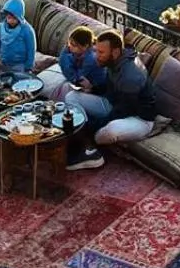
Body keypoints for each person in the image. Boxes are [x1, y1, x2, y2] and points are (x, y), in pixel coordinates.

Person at [67, 29, 157, 171]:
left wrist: (92, 126)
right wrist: (92, 88)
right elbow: (110, 88)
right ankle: (83, 140)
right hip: (115, 104)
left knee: (110, 130)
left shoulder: (130, 76)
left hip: (139, 118)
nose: (96, 56)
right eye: (96, 51)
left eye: (101, 53)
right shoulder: (115, 61)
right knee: (71, 97)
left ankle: (93, 152)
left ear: (114, 52)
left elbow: (122, 111)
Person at [60, 26, 111, 129]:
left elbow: (74, 77)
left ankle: (82, 127)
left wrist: (64, 55)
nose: (69, 47)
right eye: (69, 44)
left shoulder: (91, 59)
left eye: (73, 45)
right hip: (98, 92)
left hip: (106, 100)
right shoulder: (85, 53)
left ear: (85, 46)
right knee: (66, 91)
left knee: (70, 96)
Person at [0, 0, 37, 76]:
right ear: (6, 15)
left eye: (14, 18)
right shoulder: (0, 27)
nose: (11, 21)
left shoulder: (27, 30)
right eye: (9, 18)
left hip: (20, 66)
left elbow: (31, 49)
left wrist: (28, 66)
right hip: (4, 64)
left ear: (20, 17)